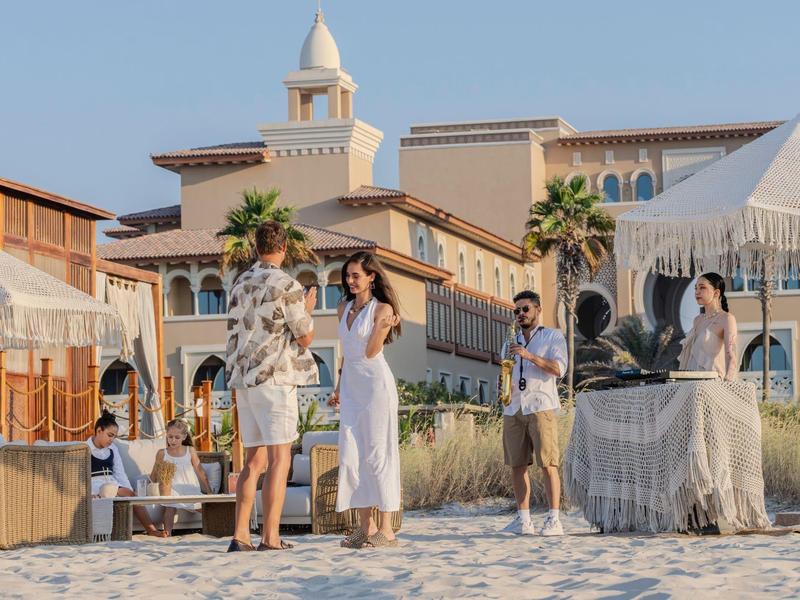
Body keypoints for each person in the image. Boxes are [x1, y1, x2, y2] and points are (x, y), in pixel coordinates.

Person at [225, 220, 318, 552]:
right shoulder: (286, 284)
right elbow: (305, 335)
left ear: (255, 248)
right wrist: (307, 309)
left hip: (244, 379)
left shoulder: (238, 283)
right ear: (283, 247)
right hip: (275, 378)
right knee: (280, 459)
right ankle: (270, 537)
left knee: (253, 460)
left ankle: (239, 535)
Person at [327, 251, 402, 549]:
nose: (350, 280)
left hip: (375, 387)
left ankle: (386, 529)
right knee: (350, 456)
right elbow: (346, 351)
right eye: (348, 275)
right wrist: (338, 387)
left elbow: (371, 352)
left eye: (356, 275)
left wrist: (384, 326)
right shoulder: (342, 308)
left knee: (377, 454)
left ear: (372, 277)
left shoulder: (382, 309)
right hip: (352, 388)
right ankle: (364, 527)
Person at [499, 290, 567, 537]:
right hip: (513, 407)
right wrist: (503, 385)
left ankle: (554, 519)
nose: (520, 314)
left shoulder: (552, 337)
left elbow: (558, 369)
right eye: (516, 310)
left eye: (525, 309)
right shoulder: (510, 341)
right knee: (517, 465)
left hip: (540, 406)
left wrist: (529, 356)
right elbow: (507, 370)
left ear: (538, 309)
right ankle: (523, 520)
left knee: (548, 463)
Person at [87, 410, 167, 537]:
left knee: (131, 495)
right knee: (107, 492)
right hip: (95, 486)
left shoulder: (113, 449)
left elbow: (120, 473)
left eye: (114, 436)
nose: (112, 439)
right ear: (98, 431)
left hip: (113, 485)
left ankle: (151, 529)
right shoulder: (85, 448)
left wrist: (129, 493)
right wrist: (88, 493)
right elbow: (80, 476)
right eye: (109, 435)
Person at [150, 418, 212, 536]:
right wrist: (149, 488)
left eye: (177, 437)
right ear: (166, 435)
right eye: (170, 436)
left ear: (184, 437)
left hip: (189, 488)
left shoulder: (190, 450)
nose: (172, 440)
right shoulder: (162, 453)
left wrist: (209, 490)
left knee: (204, 508)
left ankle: (216, 528)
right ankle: (167, 534)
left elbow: (200, 470)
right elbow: (154, 474)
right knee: (170, 505)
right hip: (172, 489)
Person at [678, 272, 738, 381]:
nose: (697, 292)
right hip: (690, 382)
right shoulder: (697, 320)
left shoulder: (726, 318)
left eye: (702, 288)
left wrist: (729, 381)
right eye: (696, 288)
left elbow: (731, 354)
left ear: (716, 293)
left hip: (711, 384)